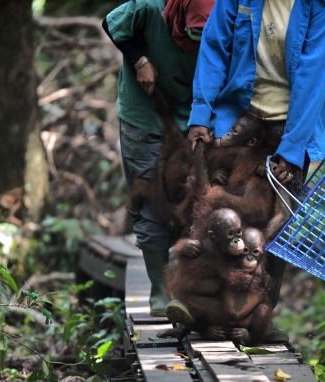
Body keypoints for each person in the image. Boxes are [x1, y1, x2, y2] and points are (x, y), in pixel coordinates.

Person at [184, 0, 325, 341]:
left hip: (292, 128)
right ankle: (203, 313)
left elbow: (315, 77)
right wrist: (200, 113)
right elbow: (214, 48)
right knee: (220, 218)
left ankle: (257, 320)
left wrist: (291, 150)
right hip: (239, 121)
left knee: (274, 233)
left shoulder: (321, 6)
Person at [102, 0, 214, 317]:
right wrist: (139, 60)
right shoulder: (150, 6)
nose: (195, 42)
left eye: (203, 35)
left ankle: (184, 286)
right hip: (145, 114)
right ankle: (159, 292)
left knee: (191, 198)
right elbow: (112, 22)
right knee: (152, 199)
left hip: (194, 114)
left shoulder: (227, 12)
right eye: (192, 33)